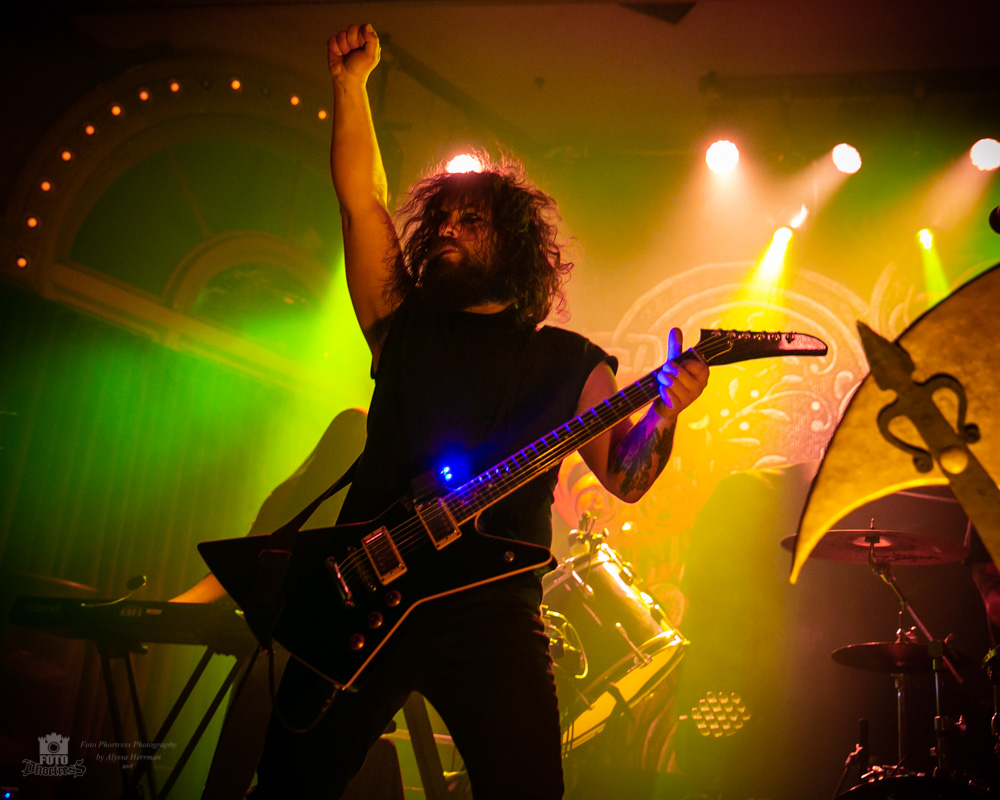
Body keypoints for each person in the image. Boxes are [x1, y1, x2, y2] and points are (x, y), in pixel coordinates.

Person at [248, 23, 709, 800]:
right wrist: (351, 87)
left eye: (472, 223)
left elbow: (626, 478)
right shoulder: (402, 324)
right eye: (442, 222)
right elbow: (361, 203)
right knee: (288, 786)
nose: (449, 231)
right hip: (365, 595)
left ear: (516, 246)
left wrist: (667, 413)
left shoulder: (570, 363)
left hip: (492, 616)